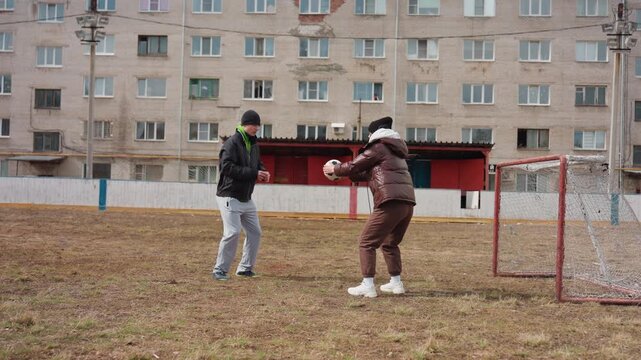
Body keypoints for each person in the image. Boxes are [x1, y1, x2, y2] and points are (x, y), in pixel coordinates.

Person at [323, 116, 416, 298]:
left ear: (373, 133)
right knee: (390, 243)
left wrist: (336, 170)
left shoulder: (379, 146)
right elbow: (369, 173)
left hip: (389, 202)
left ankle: (367, 285)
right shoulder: (396, 150)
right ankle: (396, 283)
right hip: (407, 203)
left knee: (366, 242)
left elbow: (356, 164)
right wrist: (347, 174)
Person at [212, 109, 270, 281]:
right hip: (229, 196)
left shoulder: (253, 145)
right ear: (245, 125)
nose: (257, 128)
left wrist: (263, 171)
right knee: (232, 232)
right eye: (254, 125)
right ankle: (219, 270)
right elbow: (226, 168)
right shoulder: (231, 143)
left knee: (255, 232)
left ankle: (245, 268)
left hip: (246, 197)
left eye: (258, 125)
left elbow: (257, 164)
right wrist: (253, 173)